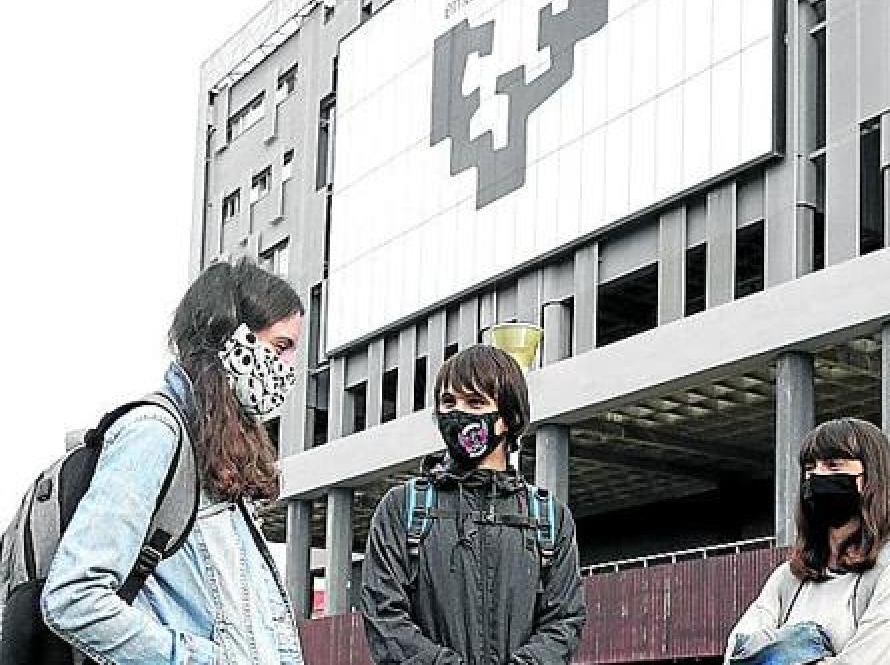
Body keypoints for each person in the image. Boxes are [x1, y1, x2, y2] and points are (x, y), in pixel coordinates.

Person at [40, 259, 306, 664]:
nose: (288, 370)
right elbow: (73, 596)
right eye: (279, 348)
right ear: (231, 340)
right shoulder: (154, 435)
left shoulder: (214, 455)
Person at [360, 344, 587, 665]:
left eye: (476, 403)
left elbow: (565, 620)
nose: (458, 415)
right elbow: (383, 615)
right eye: (449, 403)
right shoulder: (402, 509)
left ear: (508, 418)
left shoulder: (549, 518)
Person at [727, 418, 890, 665]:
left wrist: (781, 652)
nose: (817, 477)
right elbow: (738, 652)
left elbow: (873, 658)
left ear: (871, 478)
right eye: (810, 468)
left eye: (834, 466)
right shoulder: (789, 577)